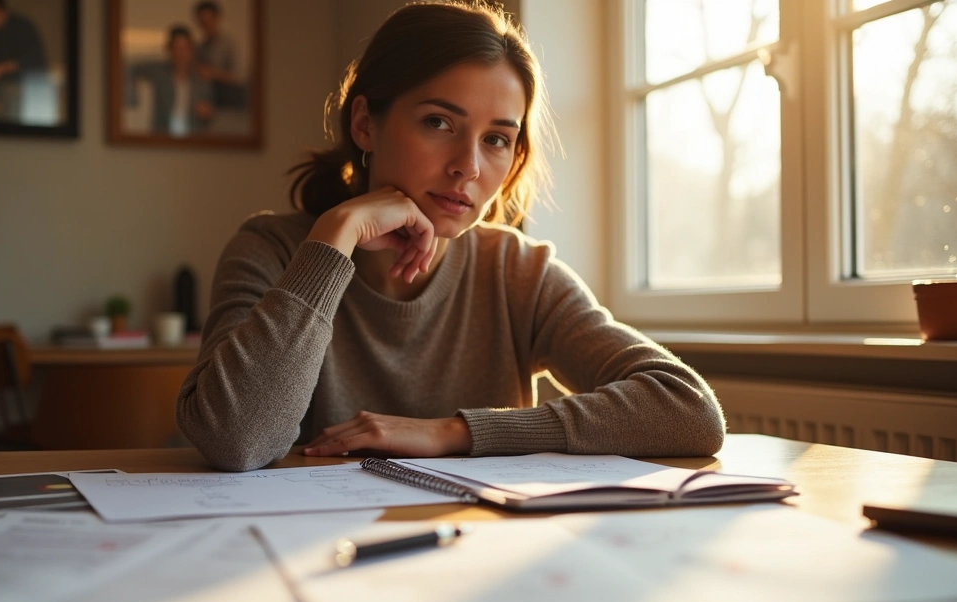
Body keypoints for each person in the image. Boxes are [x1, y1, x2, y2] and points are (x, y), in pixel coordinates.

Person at [176, 1, 726, 472]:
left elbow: (688, 409)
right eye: (439, 122)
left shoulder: (516, 271)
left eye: (495, 139)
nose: (468, 166)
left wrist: (452, 434)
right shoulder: (271, 250)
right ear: (365, 123)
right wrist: (333, 238)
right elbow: (236, 440)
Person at [126, 25, 214, 137]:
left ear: (191, 51)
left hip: (192, 138)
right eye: (176, 48)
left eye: (184, 48)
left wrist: (206, 112)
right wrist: (132, 98)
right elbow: (131, 67)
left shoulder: (200, 80)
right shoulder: (160, 73)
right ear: (169, 50)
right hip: (162, 135)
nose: (180, 54)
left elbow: (210, 113)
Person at [0, 0, 47, 119]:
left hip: (26, 90)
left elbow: (34, 59)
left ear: (4, 13)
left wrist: (2, 68)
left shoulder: (23, 28)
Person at [193, 1, 244, 109]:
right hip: (209, 99)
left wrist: (213, 73)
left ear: (217, 19)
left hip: (229, 100)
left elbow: (239, 77)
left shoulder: (229, 44)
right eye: (202, 22)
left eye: (208, 21)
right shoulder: (201, 47)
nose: (206, 26)